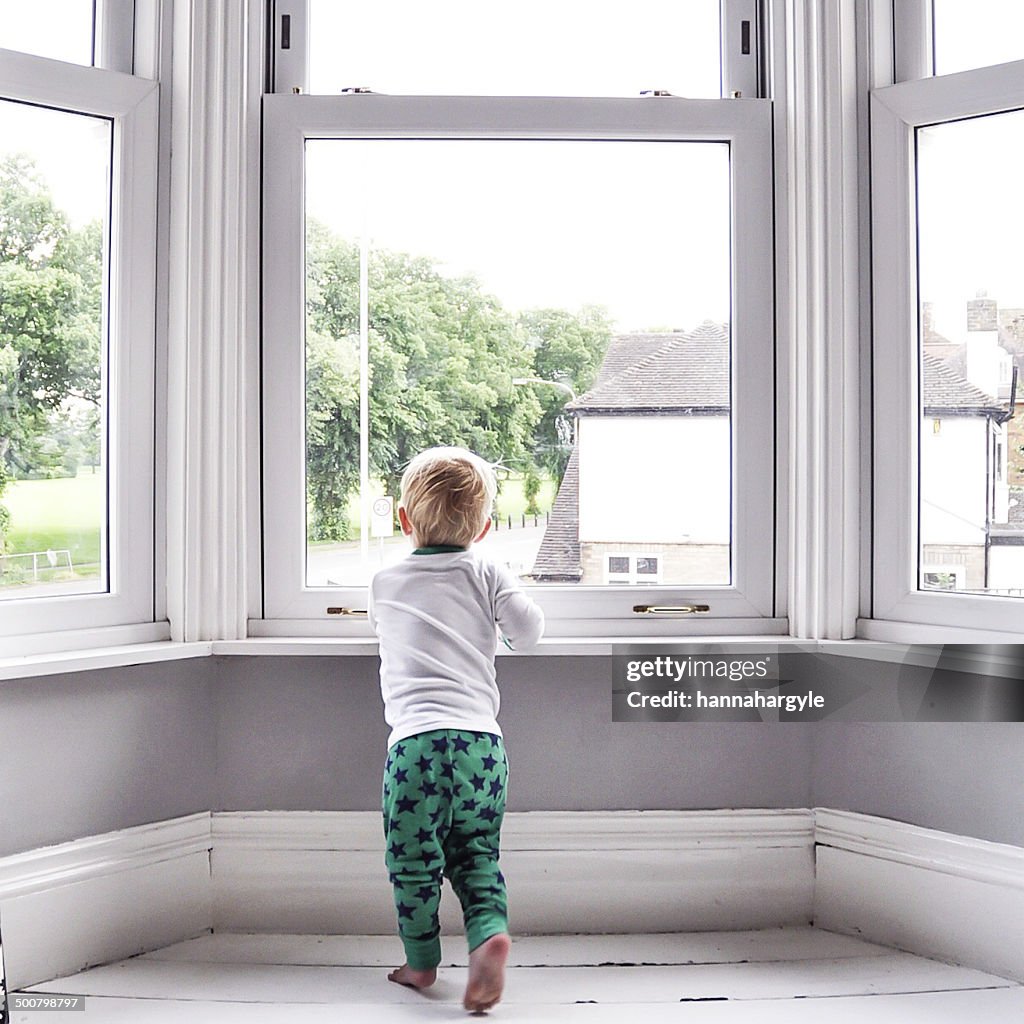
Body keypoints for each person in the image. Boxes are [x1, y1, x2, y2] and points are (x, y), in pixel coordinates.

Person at [367, 446, 545, 1013]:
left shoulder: (385, 581)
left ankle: (421, 963)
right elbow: (529, 632)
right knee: (475, 854)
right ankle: (487, 931)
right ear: (487, 527)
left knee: (413, 860)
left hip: (415, 747)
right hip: (481, 748)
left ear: (403, 520)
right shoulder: (488, 570)